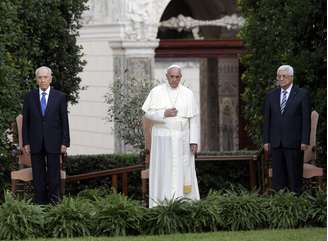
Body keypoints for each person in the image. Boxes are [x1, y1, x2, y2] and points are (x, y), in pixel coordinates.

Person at [142, 64, 200, 208]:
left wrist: (194, 141)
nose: (174, 79)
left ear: (181, 77)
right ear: (166, 76)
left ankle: (186, 204)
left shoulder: (188, 93)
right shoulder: (156, 92)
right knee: (164, 171)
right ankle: (162, 204)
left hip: (183, 139)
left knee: (184, 171)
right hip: (163, 141)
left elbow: (193, 119)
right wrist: (163, 114)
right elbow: (147, 113)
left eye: (177, 77)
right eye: (172, 76)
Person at [22, 66, 70, 204]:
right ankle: (40, 205)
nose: (43, 80)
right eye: (40, 77)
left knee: (54, 175)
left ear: (50, 78)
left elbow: (64, 121)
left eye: (45, 77)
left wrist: (64, 142)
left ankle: (54, 204)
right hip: (35, 142)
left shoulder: (60, 97)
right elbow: (26, 122)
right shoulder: (29, 96)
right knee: (38, 175)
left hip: (54, 142)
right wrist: (26, 142)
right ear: (36, 80)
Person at [263, 65, 311, 194]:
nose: (281, 79)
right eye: (279, 76)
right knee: (278, 179)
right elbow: (267, 120)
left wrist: (304, 140)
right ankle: (280, 206)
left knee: (294, 177)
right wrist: (266, 140)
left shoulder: (302, 94)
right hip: (276, 143)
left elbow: (306, 120)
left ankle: (295, 205)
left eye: (284, 76)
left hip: (294, 143)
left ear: (291, 77)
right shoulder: (270, 95)